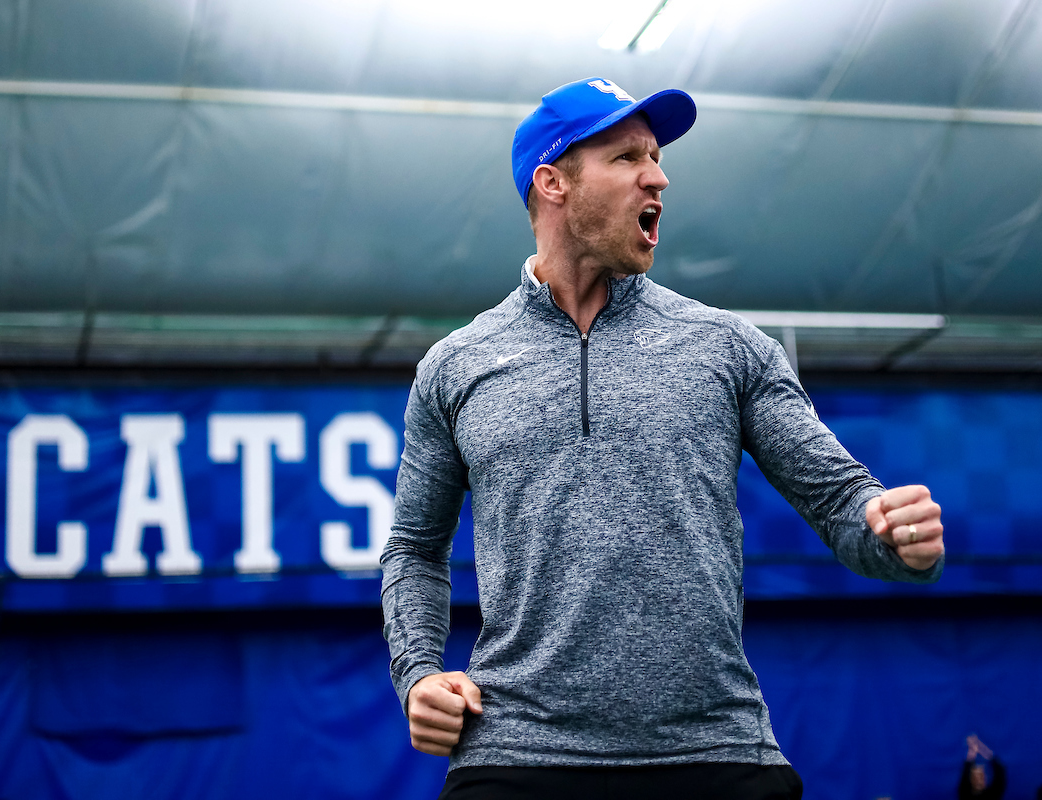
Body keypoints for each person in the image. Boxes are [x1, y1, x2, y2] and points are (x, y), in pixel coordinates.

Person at [380, 77, 945, 799]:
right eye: (627, 158)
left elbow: (843, 504)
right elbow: (415, 551)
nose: (659, 176)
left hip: (718, 750)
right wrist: (418, 673)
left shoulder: (729, 347)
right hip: (516, 757)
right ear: (553, 183)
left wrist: (895, 538)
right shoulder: (454, 367)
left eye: (656, 156)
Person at [959, 735, 1006, 799]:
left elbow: (999, 773)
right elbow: (1000, 771)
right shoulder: (965, 795)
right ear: (971, 780)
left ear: (985, 778)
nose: (979, 780)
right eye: (975, 777)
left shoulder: (993, 794)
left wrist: (980, 748)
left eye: (981, 776)